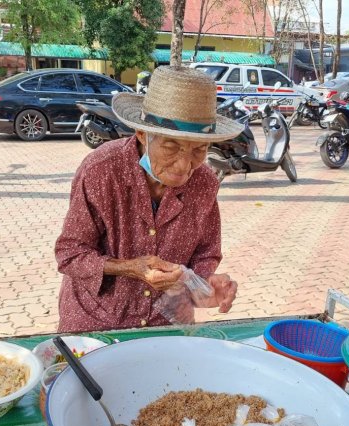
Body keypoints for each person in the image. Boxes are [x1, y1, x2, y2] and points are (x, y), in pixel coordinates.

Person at [54, 66, 242, 332]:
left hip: (165, 323)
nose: (184, 165)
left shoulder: (205, 181)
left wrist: (204, 283)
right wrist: (130, 268)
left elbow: (206, 252)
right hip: (97, 320)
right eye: (171, 146)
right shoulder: (102, 170)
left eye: (199, 149)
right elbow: (70, 254)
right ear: (142, 135)